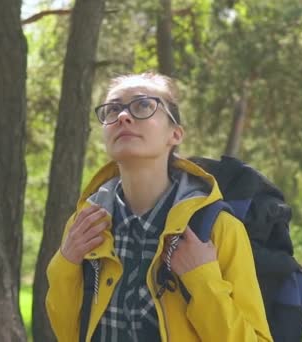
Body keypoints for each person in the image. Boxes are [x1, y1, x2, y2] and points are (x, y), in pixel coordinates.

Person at [45, 72, 273, 342]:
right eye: (113, 109)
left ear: (174, 134)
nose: (123, 116)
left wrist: (201, 280)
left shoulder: (216, 228)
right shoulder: (85, 225)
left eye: (143, 105)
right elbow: (66, 333)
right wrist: (65, 264)